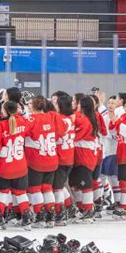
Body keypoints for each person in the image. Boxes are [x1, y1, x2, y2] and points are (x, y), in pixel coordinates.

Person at [0, 100, 32, 230]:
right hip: (20, 166)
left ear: (5, 111)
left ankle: (0, 220)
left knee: (2, 194)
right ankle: (27, 219)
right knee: (21, 194)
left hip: (3, 168)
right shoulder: (22, 122)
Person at [24, 95, 60, 227]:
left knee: (35, 189)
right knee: (47, 188)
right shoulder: (50, 117)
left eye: (29, 104)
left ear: (33, 106)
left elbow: (23, 133)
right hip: (51, 159)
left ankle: (39, 217)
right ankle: (50, 216)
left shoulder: (32, 119)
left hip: (37, 160)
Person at [69, 94, 101, 222]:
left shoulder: (84, 120)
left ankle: (88, 210)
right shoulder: (90, 118)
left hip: (84, 156)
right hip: (86, 156)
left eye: (78, 104)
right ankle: (84, 208)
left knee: (85, 185)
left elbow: (74, 136)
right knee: (79, 184)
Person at [51, 91, 76, 224]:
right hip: (68, 157)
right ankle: (70, 207)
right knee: (60, 186)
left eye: (57, 104)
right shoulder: (69, 119)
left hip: (61, 158)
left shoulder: (61, 119)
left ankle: (60, 213)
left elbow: (55, 136)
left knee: (57, 187)